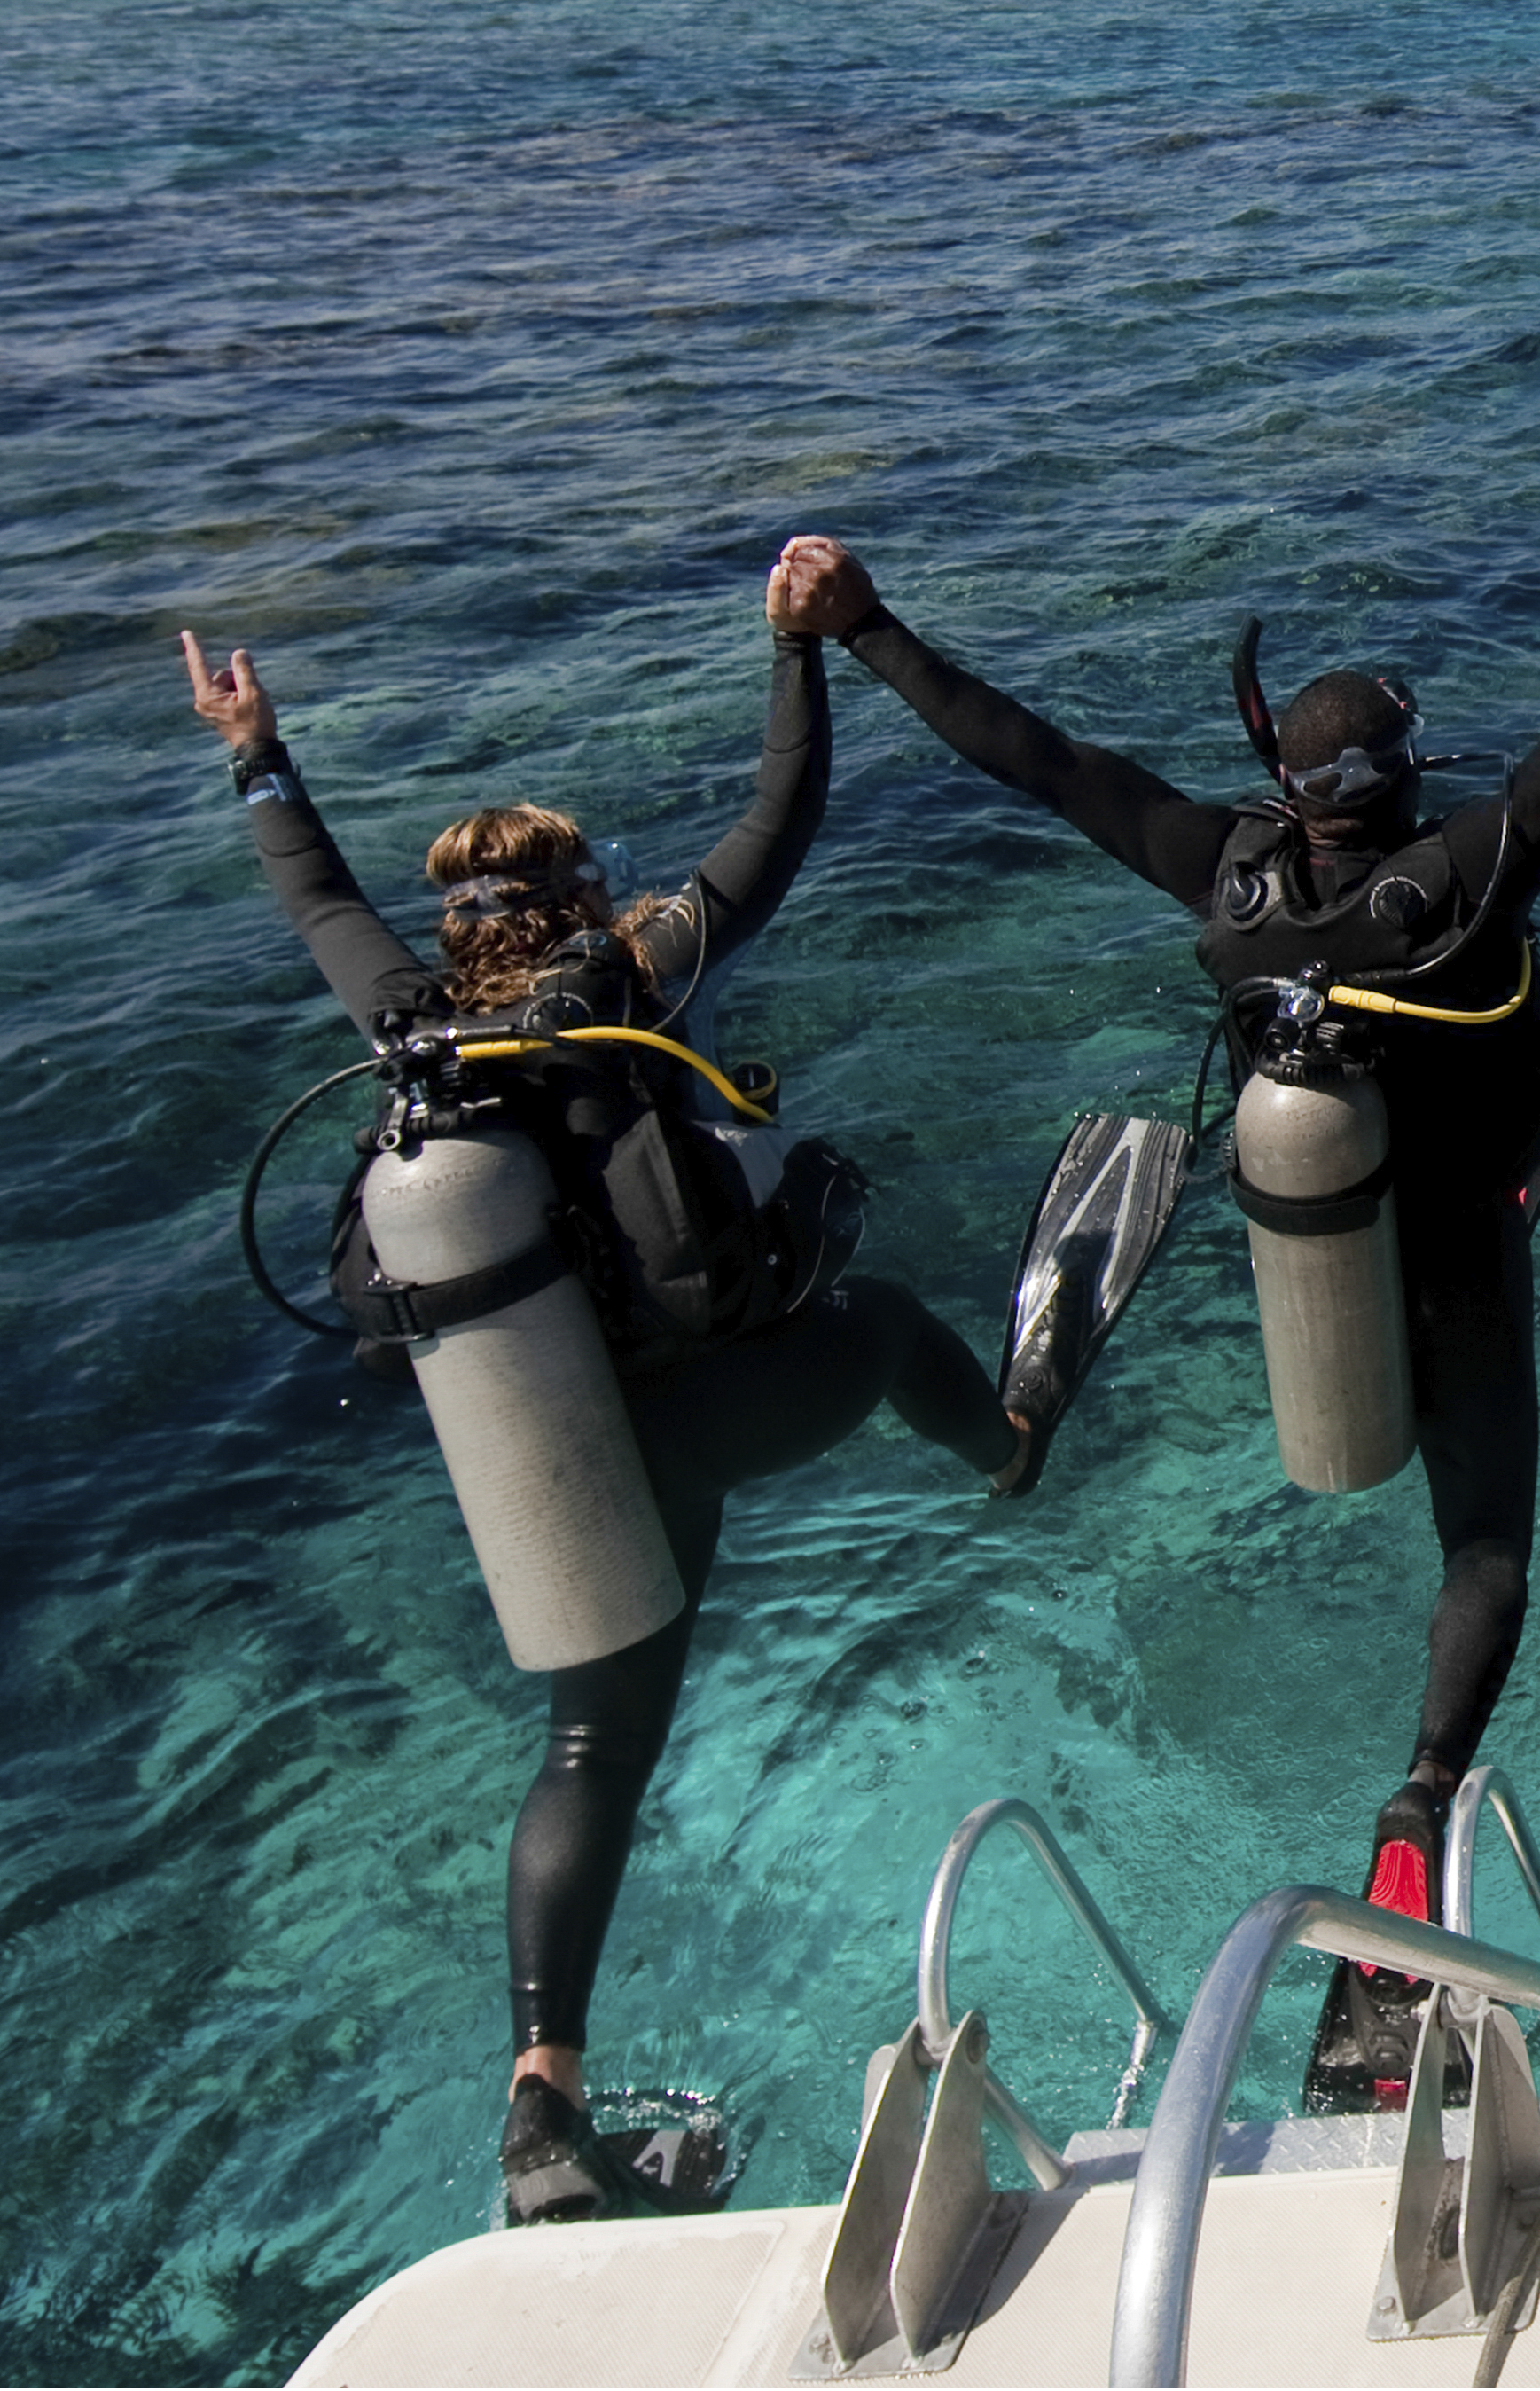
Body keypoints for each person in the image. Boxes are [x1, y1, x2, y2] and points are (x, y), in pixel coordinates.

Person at [794, 447, 1540, 2113]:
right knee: (1483, 1547)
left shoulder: (1220, 875)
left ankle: (1022, 1414)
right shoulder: (1465, 877)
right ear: (1402, 784)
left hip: (1302, 1273)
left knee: (1244, 1246)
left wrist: (867, 625)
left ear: (1288, 787)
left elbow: (1036, 757)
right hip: (1462, 1259)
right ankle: (1413, 1807)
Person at [184, 556, 1029, 2227]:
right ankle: (1006, 1446)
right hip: (691, 1422)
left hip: (544, 1459)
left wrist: (257, 754)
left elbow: (316, 902)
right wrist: (795, 656)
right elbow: (780, 823)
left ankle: (542, 2106)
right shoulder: (639, 986)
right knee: (875, 1320)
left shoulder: (413, 1027)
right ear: (583, 905)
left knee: (591, 1747)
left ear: (459, 933)